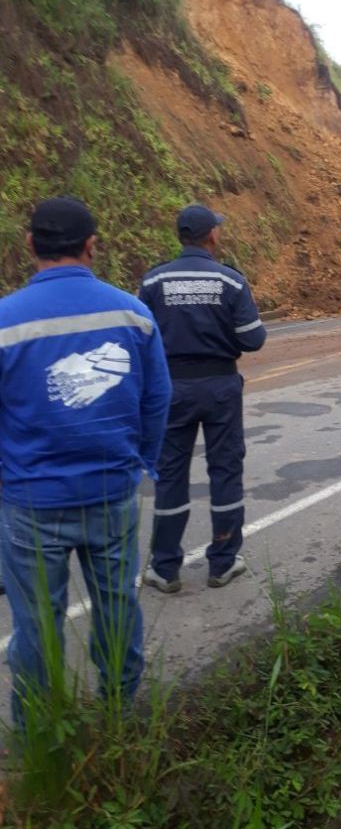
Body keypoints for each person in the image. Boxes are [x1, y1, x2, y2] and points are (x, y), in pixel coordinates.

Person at [0, 197, 171, 724]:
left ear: (28, 245)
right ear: (93, 247)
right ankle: (119, 717)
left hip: (30, 501)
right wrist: (139, 461)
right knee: (117, 605)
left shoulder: (4, 321)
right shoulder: (131, 314)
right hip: (111, 492)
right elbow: (157, 399)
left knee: (36, 624)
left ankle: (39, 735)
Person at [139, 204, 267, 593]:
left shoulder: (153, 281)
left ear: (180, 236)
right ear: (212, 235)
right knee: (225, 470)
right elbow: (254, 339)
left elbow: (140, 338)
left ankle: (165, 567)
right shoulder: (230, 282)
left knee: (171, 474)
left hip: (171, 388)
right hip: (220, 387)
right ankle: (223, 563)